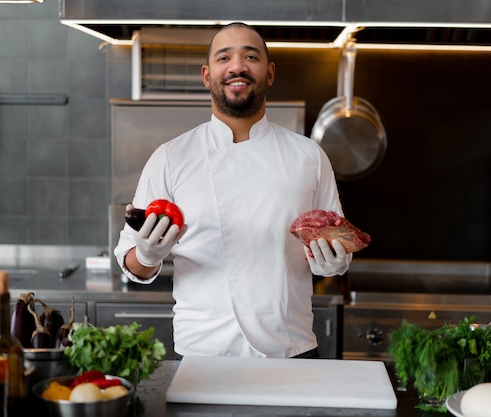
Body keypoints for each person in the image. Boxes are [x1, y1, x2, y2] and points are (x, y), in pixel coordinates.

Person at [114, 22, 352, 358]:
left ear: (269, 73)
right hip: (202, 354)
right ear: (206, 75)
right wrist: (148, 255)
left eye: (250, 56)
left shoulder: (308, 155)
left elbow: (340, 241)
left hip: (289, 350)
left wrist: (334, 264)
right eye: (224, 57)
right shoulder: (170, 157)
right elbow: (131, 264)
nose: (237, 66)